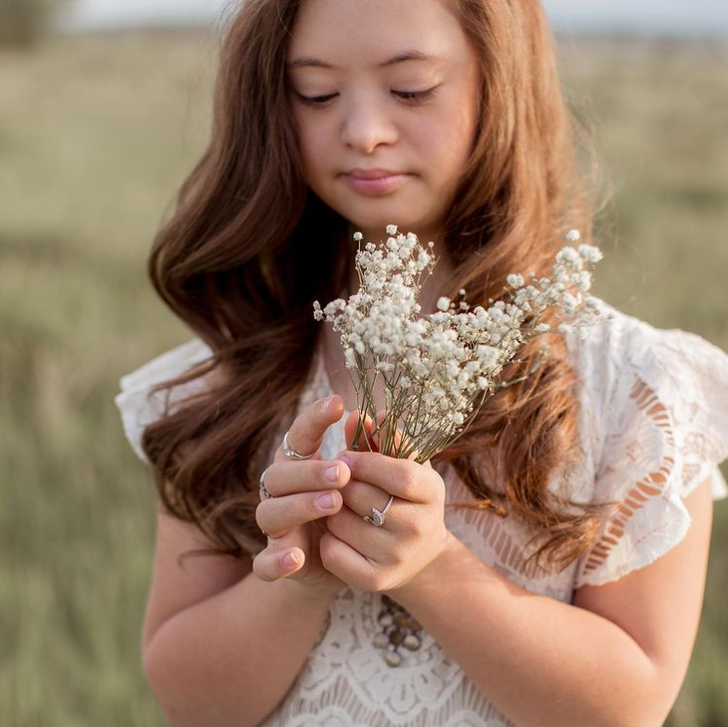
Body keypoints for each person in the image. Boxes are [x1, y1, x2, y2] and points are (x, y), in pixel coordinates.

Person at [114, 0, 728, 725]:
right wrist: (298, 579)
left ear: (501, 85)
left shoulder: (630, 387)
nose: (364, 131)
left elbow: (628, 707)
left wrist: (434, 567)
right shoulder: (228, 381)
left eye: (410, 89)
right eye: (315, 92)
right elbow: (191, 702)